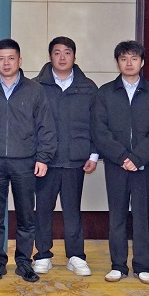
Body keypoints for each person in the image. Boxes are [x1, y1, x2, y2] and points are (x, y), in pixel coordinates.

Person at [0, 38, 56, 283]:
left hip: (25, 162)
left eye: (11, 58)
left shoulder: (34, 90)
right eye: (1, 59)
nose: (6, 63)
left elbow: (46, 127)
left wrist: (43, 158)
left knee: (26, 215)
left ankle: (23, 262)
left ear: (20, 60)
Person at [92, 40, 149, 285]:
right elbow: (99, 131)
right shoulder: (105, 93)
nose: (129, 63)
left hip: (144, 166)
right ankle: (118, 265)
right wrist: (123, 157)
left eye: (134, 58)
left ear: (142, 62)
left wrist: (137, 158)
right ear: (118, 63)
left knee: (143, 216)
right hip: (117, 165)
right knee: (117, 215)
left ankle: (142, 266)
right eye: (124, 58)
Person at [31, 37, 99, 277]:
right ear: (50, 56)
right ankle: (42, 255)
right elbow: (30, 124)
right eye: (57, 52)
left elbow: (96, 123)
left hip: (75, 160)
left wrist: (93, 154)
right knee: (43, 210)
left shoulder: (88, 87)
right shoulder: (36, 86)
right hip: (45, 161)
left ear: (74, 56)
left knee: (73, 210)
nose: (62, 57)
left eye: (67, 52)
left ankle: (76, 256)